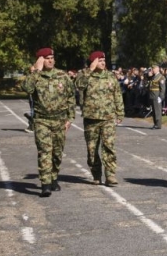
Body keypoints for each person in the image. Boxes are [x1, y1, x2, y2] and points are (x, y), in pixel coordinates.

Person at [20, 48, 76, 197]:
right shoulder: (35, 76)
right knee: (45, 152)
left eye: (52, 57)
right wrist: (36, 71)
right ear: (40, 60)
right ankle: (45, 184)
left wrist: (70, 118)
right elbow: (26, 88)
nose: (51, 60)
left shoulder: (62, 75)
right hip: (41, 120)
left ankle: (53, 177)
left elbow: (71, 96)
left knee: (57, 153)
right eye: (47, 58)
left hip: (59, 120)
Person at [75, 51, 125, 186]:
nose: (103, 63)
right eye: (99, 60)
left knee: (109, 146)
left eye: (104, 60)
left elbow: (117, 95)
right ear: (93, 62)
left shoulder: (110, 76)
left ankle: (110, 175)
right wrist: (90, 70)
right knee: (92, 150)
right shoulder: (85, 75)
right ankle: (96, 174)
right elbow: (78, 85)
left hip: (108, 118)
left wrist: (120, 112)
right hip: (91, 118)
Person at [147, 65, 165, 129]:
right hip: (152, 95)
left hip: (157, 95)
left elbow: (162, 88)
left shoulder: (160, 77)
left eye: (153, 69)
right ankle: (155, 123)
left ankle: (158, 124)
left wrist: (161, 96)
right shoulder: (153, 76)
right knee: (154, 110)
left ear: (157, 69)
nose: (152, 70)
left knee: (157, 110)